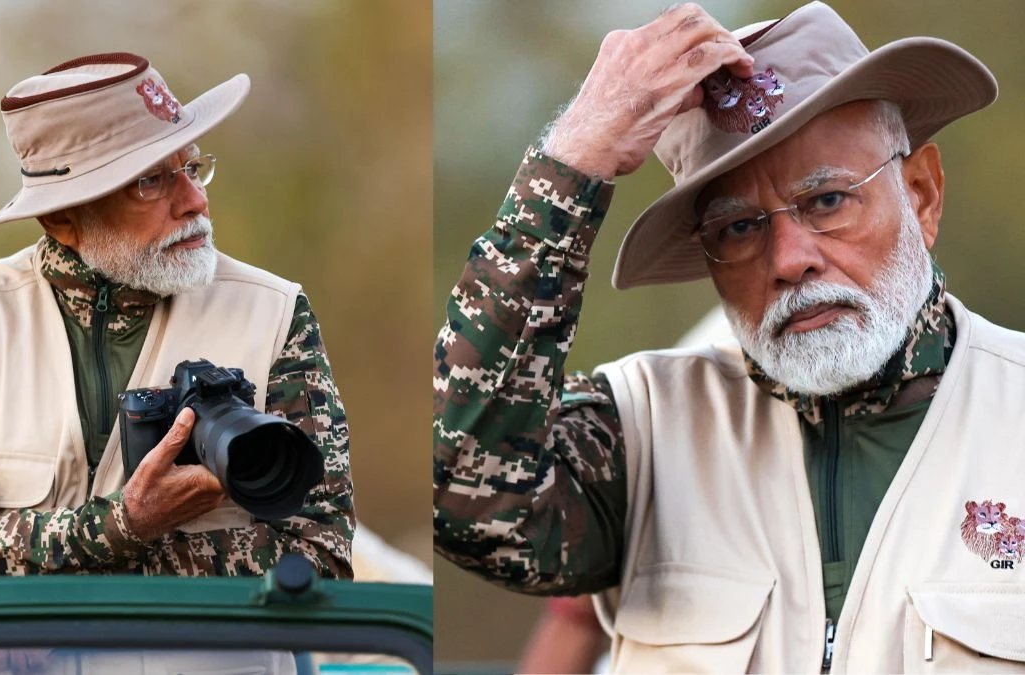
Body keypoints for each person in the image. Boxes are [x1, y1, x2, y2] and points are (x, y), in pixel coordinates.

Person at [434, 1, 1025, 671]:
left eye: (827, 200)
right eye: (740, 228)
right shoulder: (643, 433)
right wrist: (572, 159)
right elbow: (462, 489)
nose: (789, 259)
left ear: (921, 195)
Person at [0, 52, 354, 673]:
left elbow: (320, 551)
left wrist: (58, 595)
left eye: (192, 167)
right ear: (62, 216)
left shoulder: (273, 310)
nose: (194, 202)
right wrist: (124, 525)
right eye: (150, 181)